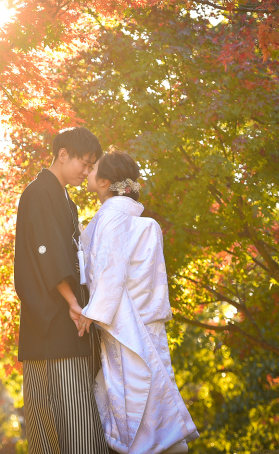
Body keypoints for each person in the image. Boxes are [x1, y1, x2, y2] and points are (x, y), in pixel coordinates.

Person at [76, 150, 199, 454]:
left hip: (124, 316)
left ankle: (153, 445)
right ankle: (165, 441)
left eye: (93, 169)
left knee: (134, 383)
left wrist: (92, 312)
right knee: (148, 377)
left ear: (104, 182)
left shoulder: (112, 214)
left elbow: (110, 266)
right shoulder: (124, 212)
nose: (88, 171)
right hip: (140, 311)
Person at [14, 127, 109, 454]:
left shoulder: (65, 200)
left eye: (91, 165)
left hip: (65, 319)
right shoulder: (39, 193)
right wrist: (73, 303)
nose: (87, 171)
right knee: (55, 414)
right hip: (52, 319)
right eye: (84, 163)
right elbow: (49, 253)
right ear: (63, 154)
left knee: (73, 414)